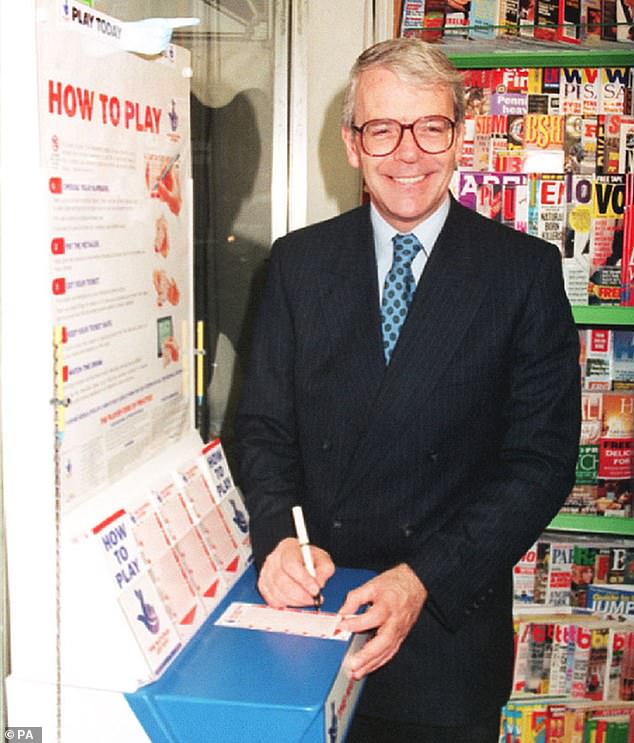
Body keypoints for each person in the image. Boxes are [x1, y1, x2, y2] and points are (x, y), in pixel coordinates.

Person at [235, 38, 580, 742]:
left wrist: (420, 577)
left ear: (460, 136)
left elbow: (540, 463)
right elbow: (261, 428)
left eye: (430, 126)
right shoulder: (298, 264)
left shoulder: (522, 273)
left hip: (444, 640)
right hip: (311, 621)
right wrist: (276, 539)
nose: (408, 154)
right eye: (382, 129)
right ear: (352, 144)